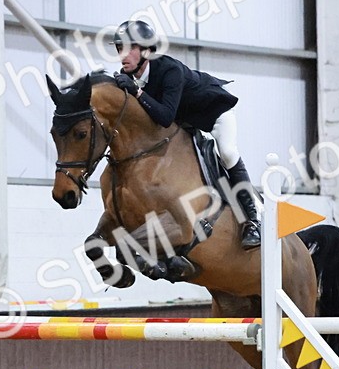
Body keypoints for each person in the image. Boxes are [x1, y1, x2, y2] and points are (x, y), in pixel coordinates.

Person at [112, 19, 261, 249]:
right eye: (120, 48)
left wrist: (138, 93)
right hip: (186, 124)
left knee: (228, 153)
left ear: (146, 51)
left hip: (213, 115)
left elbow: (164, 116)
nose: (124, 55)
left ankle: (253, 220)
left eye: (130, 48)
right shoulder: (128, 77)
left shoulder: (169, 70)